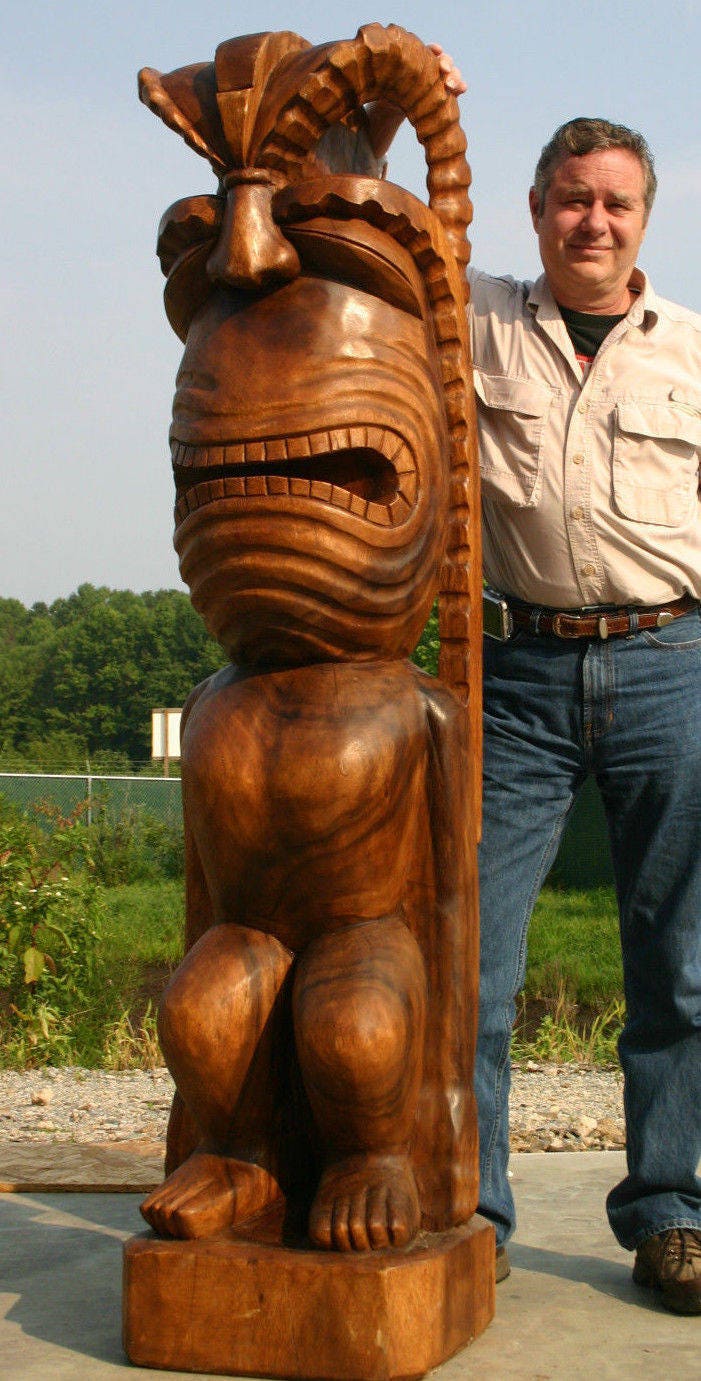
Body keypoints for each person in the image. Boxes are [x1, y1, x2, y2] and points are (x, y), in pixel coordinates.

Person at [369, 52, 701, 1315]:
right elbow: (369, 216)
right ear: (531, 208)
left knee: (676, 966)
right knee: (470, 966)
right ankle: (474, 1210)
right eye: (570, 197)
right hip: (508, 676)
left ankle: (670, 1212)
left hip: (671, 667)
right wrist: (405, 98)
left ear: (643, 220)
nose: (591, 221)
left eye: (614, 202)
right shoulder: (470, 315)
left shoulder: (685, 351)